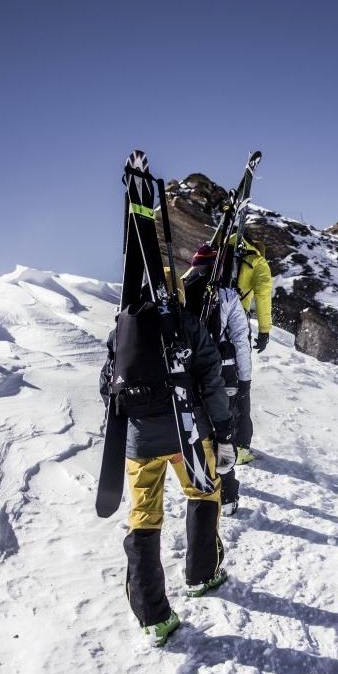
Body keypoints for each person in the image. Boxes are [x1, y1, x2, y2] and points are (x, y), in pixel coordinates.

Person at [99, 280, 236, 647]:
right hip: (185, 433)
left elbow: (107, 385)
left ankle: (153, 618)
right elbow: (211, 379)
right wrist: (224, 430)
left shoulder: (121, 330)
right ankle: (201, 575)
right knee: (203, 493)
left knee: (143, 516)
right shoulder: (185, 322)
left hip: (139, 441)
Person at [181, 243, 253, 516]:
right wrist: (245, 380)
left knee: (199, 433)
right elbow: (240, 340)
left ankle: (203, 485)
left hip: (188, 375)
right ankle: (228, 494)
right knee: (224, 432)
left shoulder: (181, 291)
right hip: (223, 374)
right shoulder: (226, 295)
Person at [225, 232, 273, 465]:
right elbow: (263, 296)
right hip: (236, 325)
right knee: (240, 384)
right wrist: (264, 330)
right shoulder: (257, 262)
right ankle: (240, 447)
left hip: (209, 324)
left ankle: (211, 439)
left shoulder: (218, 251)